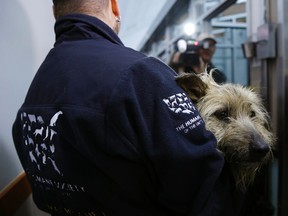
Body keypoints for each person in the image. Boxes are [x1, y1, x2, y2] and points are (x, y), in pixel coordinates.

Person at [12, 0, 242, 215]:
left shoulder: (37, 87)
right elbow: (200, 180)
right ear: (114, 7)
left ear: (55, 13)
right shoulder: (140, 74)